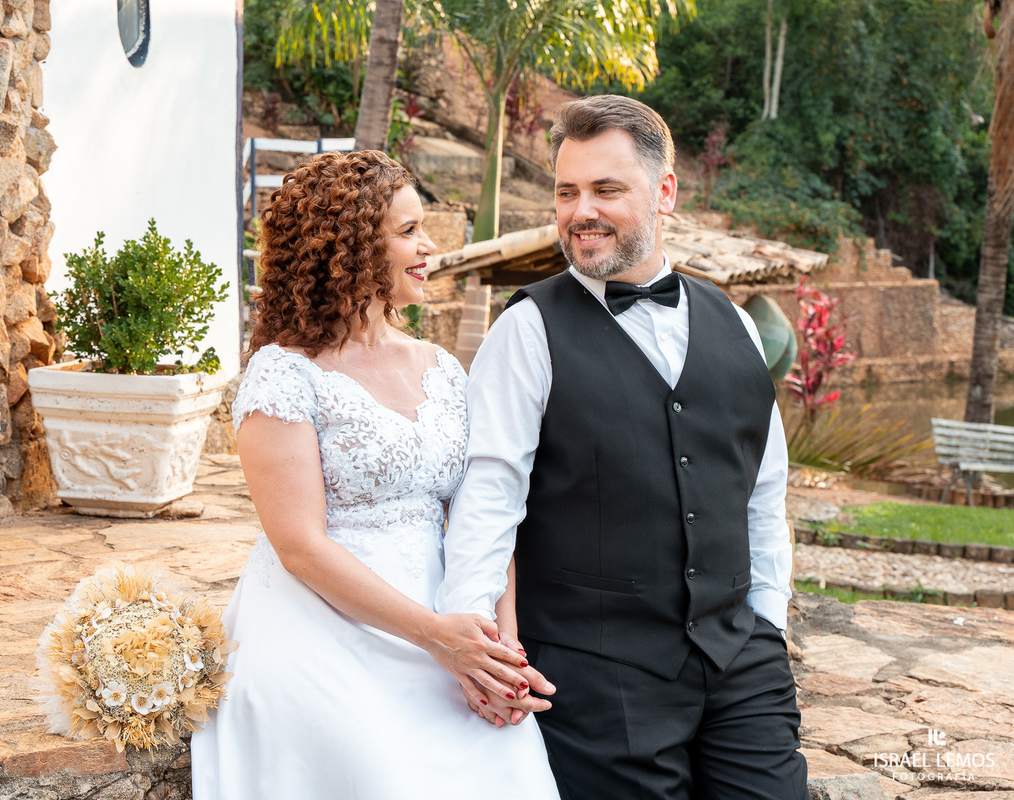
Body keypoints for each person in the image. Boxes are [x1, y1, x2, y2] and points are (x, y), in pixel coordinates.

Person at [437, 95, 809, 799]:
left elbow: (761, 491)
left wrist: (769, 624)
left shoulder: (734, 321)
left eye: (607, 189)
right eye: (567, 191)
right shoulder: (528, 329)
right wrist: (473, 635)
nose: (583, 211)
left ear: (665, 192)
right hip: (595, 673)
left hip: (742, 662)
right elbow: (487, 493)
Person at [190, 150, 560, 800]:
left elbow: (481, 511)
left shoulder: (442, 365)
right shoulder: (283, 372)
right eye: (409, 230)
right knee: (377, 765)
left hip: (450, 611)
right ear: (350, 246)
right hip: (323, 619)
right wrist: (435, 638)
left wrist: (502, 647)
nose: (430, 247)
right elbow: (300, 546)